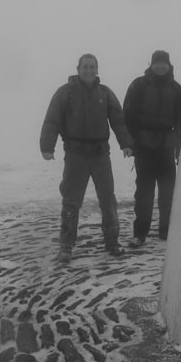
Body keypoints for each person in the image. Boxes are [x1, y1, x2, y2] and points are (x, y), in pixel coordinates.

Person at [40, 54, 134, 263]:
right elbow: (52, 120)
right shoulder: (66, 93)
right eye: (85, 66)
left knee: (108, 200)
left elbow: (118, 120)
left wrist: (126, 144)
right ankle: (66, 247)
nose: (89, 70)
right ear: (78, 68)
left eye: (92, 67)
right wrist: (47, 146)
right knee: (71, 201)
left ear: (97, 69)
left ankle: (112, 242)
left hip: (101, 154)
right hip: (75, 154)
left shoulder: (105, 93)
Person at [123, 50, 181, 247]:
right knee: (144, 191)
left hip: (167, 145)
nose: (160, 66)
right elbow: (128, 115)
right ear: (151, 64)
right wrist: (130, 142)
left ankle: (166, 230)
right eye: (157, 63)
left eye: (164, 63)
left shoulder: (176, 88)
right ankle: (140, 232)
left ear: (169, 65)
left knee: (168, 191)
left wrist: (179, 148)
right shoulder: (139, 85)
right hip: (144, 145)